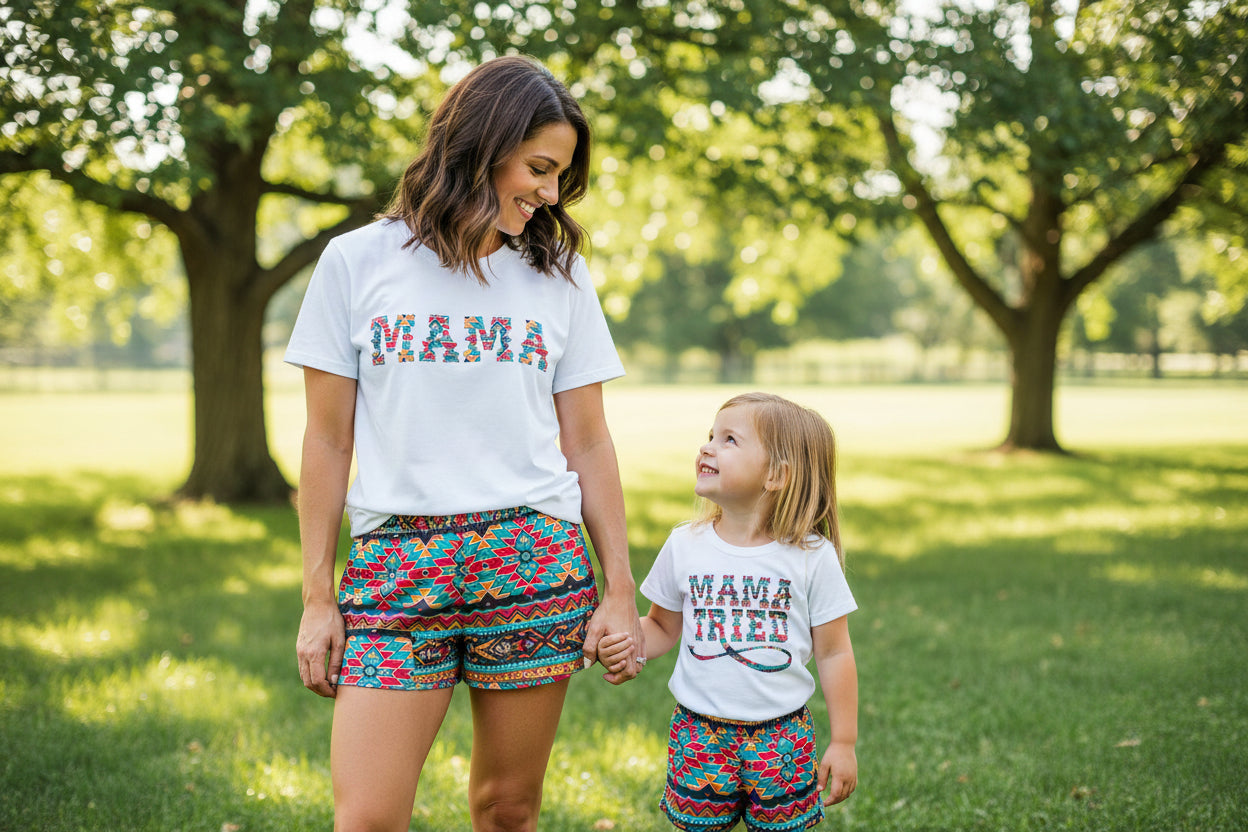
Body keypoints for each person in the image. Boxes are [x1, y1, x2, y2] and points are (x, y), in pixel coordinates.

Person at [286, 55, 643, 832]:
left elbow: (588, 442)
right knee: (369, 818)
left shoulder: (559, 276)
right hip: (394, 566)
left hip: (531, 557)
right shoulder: (356, 263)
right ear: (484, 145)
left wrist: (619, 588)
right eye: (541, 168)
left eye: (560, 177)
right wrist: (320, 596)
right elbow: (325, 440)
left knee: (506, 808)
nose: (551, 193)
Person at [599, 392, 858, 832]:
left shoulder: (812, 556)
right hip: (699, 736)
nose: (708, 447)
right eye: (710, 436)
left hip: (782, 739)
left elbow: (834, 654)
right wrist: (628, 645)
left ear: (777, 474)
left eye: (729, 440)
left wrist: (844, 741)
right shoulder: (685, 544)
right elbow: (662, 625)